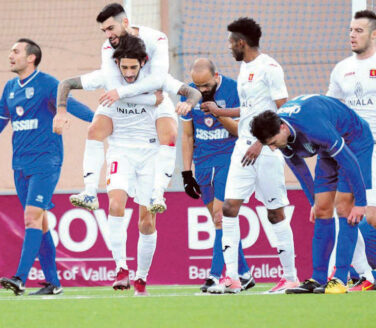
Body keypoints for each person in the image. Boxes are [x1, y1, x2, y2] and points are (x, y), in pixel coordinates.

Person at [54, 34, 201, 295]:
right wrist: (61, 110)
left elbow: (193, 91)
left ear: (144, 63)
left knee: (146, 222)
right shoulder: (107, 77)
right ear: (117, 64)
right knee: (115, 203)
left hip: (150, 154)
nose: (129, 73)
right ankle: (121, 268)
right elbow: (65, 83)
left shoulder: (157, 80)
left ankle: (141, 277)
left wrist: (188, 103)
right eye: (125, 67)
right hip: (121, 150)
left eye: (134, 67)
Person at [201, 17, 298, 294]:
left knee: (275, 213)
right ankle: (232, 278)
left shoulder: (270, 68)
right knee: (228, 209)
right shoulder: (245, 69)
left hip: (265, 151)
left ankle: (290, 277)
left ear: (241, 42)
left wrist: (262, 141)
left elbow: (284, 110)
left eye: (231, 42)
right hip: (242, 148)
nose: (229, 47)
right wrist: (220, 111)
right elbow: (250, 109)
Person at [58, 3, 177, 213]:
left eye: (111, 28)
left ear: (125, 22)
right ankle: (90, 192)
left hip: (150, 106)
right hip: (126, 102)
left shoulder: (156, 38)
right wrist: (148, 99)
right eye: (104, 31)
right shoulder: (107, 48)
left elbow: (158, 79)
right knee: (94, 130)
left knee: (170, 135)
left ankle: (159, 193)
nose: (108, 35)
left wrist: (178, 101)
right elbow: (113, 88)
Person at [251, 94, 373, 294]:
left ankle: (340, 279)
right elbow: (300, 171)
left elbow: (349, 161)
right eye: (268, 145)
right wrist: (313, 203)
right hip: (329, 146)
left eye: (273, 142)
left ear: (282, 127)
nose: (273, 148)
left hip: (355, 142)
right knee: (323, 209)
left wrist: (360, 202)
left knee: (343, 207)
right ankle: (318, 278)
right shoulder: (282, 134)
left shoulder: (313, 126)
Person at [0, 39, 93, 295]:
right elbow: (1, 121)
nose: (10, 55)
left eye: (16, 51)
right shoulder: (9, 87)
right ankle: (54, 284)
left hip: (45, 162)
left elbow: (73, 107)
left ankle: (20, 278)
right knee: (39, 223)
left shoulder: (49, 84)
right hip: (19, 165)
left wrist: (101, 120)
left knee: (31, 217)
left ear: (31, 57)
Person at [181, 58, 255, 293]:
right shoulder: (188, 93)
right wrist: (186, 172)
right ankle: (244, 274)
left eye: (204, 85)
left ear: (215, 76)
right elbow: (187, 136)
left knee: (220, 216)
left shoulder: (234, 89)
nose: (200, 90)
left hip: (228, 159)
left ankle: (215, 275)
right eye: (196, 85)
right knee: (219, 222)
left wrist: (216, 110)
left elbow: (239, 130)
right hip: (202, 162)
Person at [327, 9, 376, 291]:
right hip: (350, 151)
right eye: (350, 30)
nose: (352, 35)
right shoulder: (341, 68)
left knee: (368, 214)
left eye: (358, 30)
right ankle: (363, 274)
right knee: (344, 209)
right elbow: (331, 109)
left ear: (373, 34)